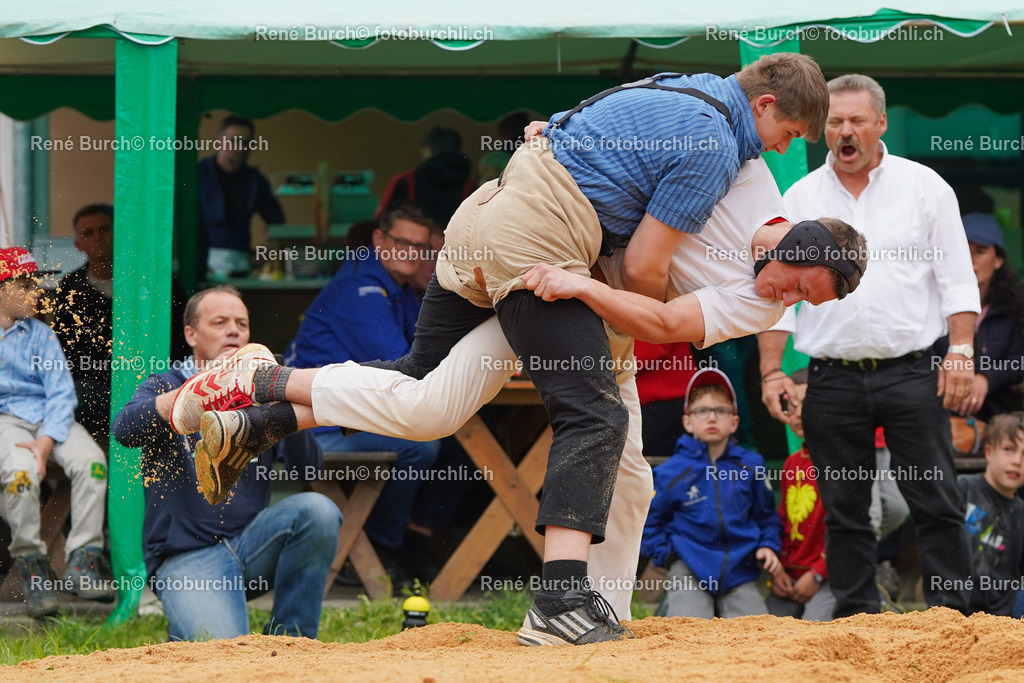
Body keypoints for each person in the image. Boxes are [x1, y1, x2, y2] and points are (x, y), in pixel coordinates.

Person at [169, 152, 865, 638]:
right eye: (801, 285)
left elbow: (662, 321)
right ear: (794, 242)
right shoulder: (739, 172)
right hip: (534, 263)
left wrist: (587, 286)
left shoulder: (767, 308)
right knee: (430, 405)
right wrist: (554, 138)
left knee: (625, 482)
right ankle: (260, 386)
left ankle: (593, 617)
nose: (791, 303)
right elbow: (651, 127)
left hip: (593, 312)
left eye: (809, 302)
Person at [758, 73, 979, 619]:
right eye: (834, 121)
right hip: (827, 378)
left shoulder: (926, 186)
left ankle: (953, 619)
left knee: (937, 500)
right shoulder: (800, 196)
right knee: (844, 508)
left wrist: (962, 352)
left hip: (911, 372)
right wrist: (771, 372)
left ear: (881, 123)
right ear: (821, 129)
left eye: (857, 120)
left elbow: (957, 279)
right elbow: (774, 289)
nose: (845, 131)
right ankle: (855, 621)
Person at [112, 285, 340, 640]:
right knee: (228, 657)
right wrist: (201, 393)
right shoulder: (164, 383)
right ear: (191, 333)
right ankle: (188, 625)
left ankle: (293, 642)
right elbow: (124, 429)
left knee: (319, 511)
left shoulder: (261, 387)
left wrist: (283, 400)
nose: (234, 330)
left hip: (252, 544)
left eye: (242, 323)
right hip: (185, 560)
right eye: (220, 322)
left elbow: (307, 469)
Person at [284, 203, 440, 584]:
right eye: (403, 242)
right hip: (313, 431)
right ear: (379, 240)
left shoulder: (394, 283)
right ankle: (377, 548)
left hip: (348, 417)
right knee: (423, 445)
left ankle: (410, 546)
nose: (412, 253)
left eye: (420, 247)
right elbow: (404, 363)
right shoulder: (361, 287)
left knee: (446, 440)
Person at [0, 246, 114, 618]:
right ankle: (34, 567)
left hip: (51, 419)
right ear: (3, 290)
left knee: (93, 463)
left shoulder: (42, 334)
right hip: (7, 422)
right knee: (21, 476)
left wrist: (47, 441)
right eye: (26, 285)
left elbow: (62, 392)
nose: (37, 293)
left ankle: (84, 558)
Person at [642, 369, 783, 618]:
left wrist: (768, 545)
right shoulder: (670, 471)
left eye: (721, 410)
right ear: (688, 421)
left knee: (756, 634)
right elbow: (650, 523)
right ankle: (670, 604)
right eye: (701, 411)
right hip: (688, 569)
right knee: (690, 634)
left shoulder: (752, 465)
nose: (712, 418)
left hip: (741, 569)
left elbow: (767, 517)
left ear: (734, 422)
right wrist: (671, 555)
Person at [51, 203, 187, 445]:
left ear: (119, 234)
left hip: (152, 383)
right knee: (76, 396)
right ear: (77, 244)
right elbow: (63, 352)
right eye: (88, 233)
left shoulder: (155, 281)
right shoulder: (69, 289)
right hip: (95, 391)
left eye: (104, 229)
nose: (97, 238)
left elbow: (183, 337)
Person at [934, 213, 1024, 421]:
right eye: (964, 250)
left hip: (999, 417)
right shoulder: (931, 303)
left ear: (998, 260)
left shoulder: (1013, 307)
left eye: (980, 251)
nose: (970, 259)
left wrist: (986, 379)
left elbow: (1019, 362)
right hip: (939, 414)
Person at [765, 368, 835, 621]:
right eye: (790, 406)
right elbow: (784, 520)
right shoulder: (792, 463)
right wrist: (779, 571)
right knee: (767, 633)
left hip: (829, 574)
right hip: (791, 576)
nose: (796, 414)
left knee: (814, 632)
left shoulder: (841, 460)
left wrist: (818, 573)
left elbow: (851, 526)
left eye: (805, 404)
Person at [198, 114, 284, 278]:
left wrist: (260, 257)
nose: (240, 149)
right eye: (234, 142)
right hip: (203, 265)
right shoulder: (198, 175)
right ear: (219, 141)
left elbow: (278, 226)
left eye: (246, 143)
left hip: (241, 265)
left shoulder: (256, 181)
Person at [958, 412, 1024, 616]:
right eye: (1008, 450)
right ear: (988, 452)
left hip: (1005, 613)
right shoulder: (962, 489)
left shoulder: (1022, 512)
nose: (1017, 461)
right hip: (956, 604)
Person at [376, 127, 474, 227]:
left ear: (427, 149)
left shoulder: (405, 181)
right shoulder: (472, 186)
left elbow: (381, 221)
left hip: (411, 241)